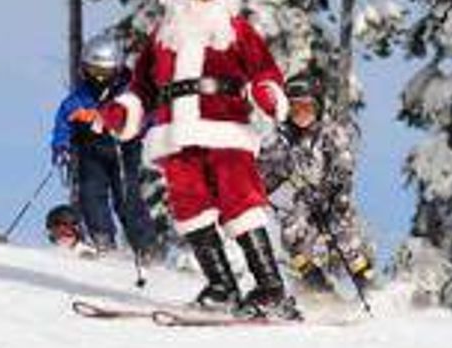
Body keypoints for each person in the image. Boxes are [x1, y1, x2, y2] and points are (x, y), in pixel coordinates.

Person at [92, 0, 299, 319]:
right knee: (190, 208)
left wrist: (268, 93)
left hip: (225, 132)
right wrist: (122, 111)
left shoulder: (236, 30)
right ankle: (222, 287)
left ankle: (271, 290)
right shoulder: (163, 36)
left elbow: (263, 71)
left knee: (240, 204)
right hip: (175, 136)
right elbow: (142, 88)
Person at [258, 70, 375, 294]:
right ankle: (317, 288)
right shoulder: (281, 141)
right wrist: (272, 185)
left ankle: (365, 283)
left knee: (343, 234)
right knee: (292, 234)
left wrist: (331, 192)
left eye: (307, 107)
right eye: (295, 108)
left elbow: (344, 165)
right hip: (299, 202)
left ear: (318, 107)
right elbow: (264, 173)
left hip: (330, 200)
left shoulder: (330, 133)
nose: (301, 114)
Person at [50, 34, 157, 255]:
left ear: (116, 69)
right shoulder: (78, 99)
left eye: (104, 73)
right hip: (91, 152)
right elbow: (63, 125)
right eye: (93, 71)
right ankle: (103, 239)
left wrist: (132, 126)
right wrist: (61, 147)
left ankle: (144, 247)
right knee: (90, 193)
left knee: (127, 198)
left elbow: (147, 117)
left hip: (123, 151)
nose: (99, 78)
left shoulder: (129, 93)